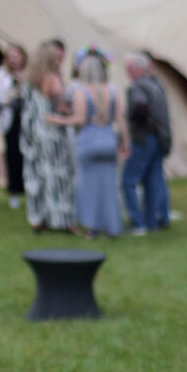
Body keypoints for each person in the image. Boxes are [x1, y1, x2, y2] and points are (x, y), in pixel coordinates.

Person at [52, 49, 125, 239]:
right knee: (109, 186)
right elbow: (121, 120)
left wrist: (57, 120)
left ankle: (92, 228)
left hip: (88, 142)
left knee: (88, 187)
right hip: (108, 140)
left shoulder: (81, 92)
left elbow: (79, 120)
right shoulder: (113, 91)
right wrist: (125, 143)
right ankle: (112, 226)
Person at [20, 41, 76, 232]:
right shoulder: (52, 78)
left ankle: (38, 218)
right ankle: (60, 219)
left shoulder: (29, 79)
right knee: (58, 176)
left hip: (33, 131)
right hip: (52, 133)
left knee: (37, 176)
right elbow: (62, 106)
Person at [123, 52, 171, 235]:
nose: (127, 72)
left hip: (144, 138)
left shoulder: (138, 87)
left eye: (129, 69)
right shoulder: (156, 85)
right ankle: (152, 221)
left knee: (128, 181)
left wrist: (137, 124)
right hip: (159, 138)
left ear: (137, 69)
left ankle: (137, 221)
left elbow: (140, 107)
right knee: (153, 181)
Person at [0, 43, 27, 209]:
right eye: (11, 56)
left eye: (17, 56)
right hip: (10, 120)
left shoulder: (27, 74)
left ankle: (28, 189)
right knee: (12, 156)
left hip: (26, 119)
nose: (14, 59)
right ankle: (14, 191)